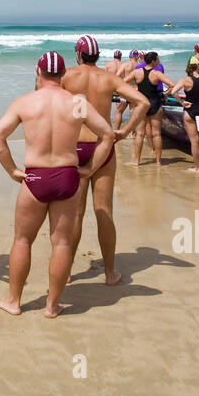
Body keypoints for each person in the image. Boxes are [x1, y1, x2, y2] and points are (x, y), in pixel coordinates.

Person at [0, 52, 114, 319]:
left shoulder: (26, 102)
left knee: (23, 240)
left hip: (35, 177)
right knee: (61, 245)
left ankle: (14, 301)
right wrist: (91, 167)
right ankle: (52, 306)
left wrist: (12, 169)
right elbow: (107, 134)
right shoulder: (76, 103)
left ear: (38, 72)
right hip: (67, 177)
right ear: (63, 75)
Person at [61, 35, 147, 286]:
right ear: (97, 56)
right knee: (104, 210)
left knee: (75, 214)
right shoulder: (109, 78)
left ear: (78, 54)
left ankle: (65, 273)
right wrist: (125, 130)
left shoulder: (66, 76)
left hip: (74, 146)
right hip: (102, 144)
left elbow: (43, 98)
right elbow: (141, 102)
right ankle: (110, 273)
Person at [168, 62, 199, 174]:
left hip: (190, 111)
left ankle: (197, 168)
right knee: (198, 140)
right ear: (198, 67)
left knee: (194, 141)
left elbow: (173, 91)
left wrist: (182, 102)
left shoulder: (185, 80)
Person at [132, 52, 170, 166]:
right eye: (157, 59)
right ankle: (158, 162)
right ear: (153, 61)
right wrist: (164, 93)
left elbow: (122, 82)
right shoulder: (156, 74)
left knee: (139, 134)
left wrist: (134, 92)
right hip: (155, 103)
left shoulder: (137, 72)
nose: (158, 61)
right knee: (157, 134)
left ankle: (136, 161)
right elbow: (172, 85)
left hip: (142, 104)